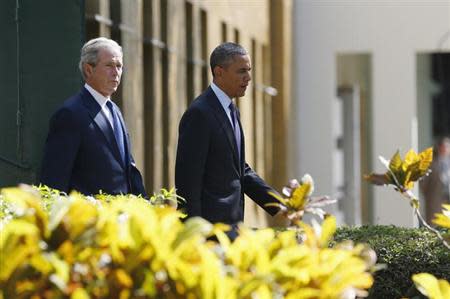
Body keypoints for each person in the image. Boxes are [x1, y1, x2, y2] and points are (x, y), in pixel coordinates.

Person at [175, 42, 280, 240]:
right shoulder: (200, 113)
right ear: (219, 72)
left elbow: (241, 171)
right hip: (209, 233)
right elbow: (188, 181)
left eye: (249, 71)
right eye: (241, 71)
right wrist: (195, 235)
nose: (248, 78)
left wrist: (279, 205)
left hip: (232, 229)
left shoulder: (232, 110)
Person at [40, 37, 146, 197]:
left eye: (119, 66)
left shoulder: (114, 110)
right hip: (88, 219)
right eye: (109, 65)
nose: (116, 72)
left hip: (119, 218)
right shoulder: (70, 114)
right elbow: (53, 182)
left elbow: (127, 169)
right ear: (89, 69)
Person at [420, 137, 450, 222]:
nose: (445, 149)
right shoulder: (431, 163)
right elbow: (423, 183)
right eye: (443, 147)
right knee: (435, 226)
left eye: (447, 147)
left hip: (448, 201)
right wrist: (430, 196)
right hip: (435, 202)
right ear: (439, 148)